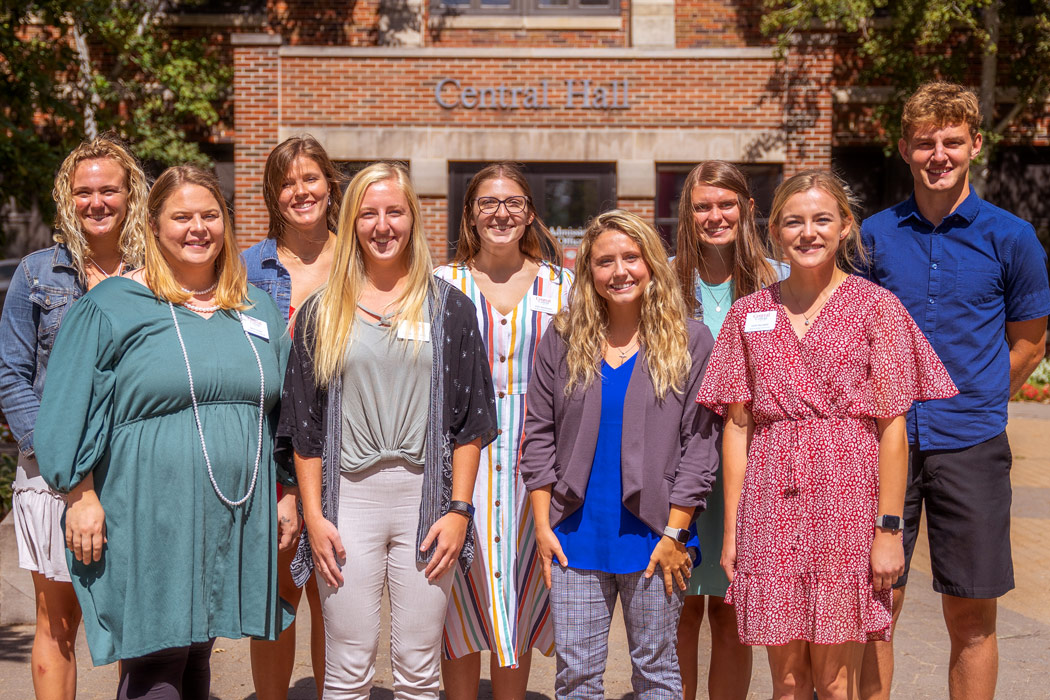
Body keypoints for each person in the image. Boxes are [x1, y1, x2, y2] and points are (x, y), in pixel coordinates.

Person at [696, 170, 958, 700]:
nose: (807, 232)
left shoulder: (877, 309)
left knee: (835, 682)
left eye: (822, 219)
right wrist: (732, 533)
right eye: (794, 221)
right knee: (787, 680)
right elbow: (738, 425)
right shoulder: (749, 315)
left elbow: (892, 428)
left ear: (845, 228)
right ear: (774, 230)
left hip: (849, 507)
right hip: (770, 506)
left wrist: (889, 529)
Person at [34, 165, 293, 699]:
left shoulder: (255, 309)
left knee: (198, 653)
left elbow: (284, 415)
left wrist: (286, 490)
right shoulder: (112, 307)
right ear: (153, 226)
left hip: (234, 512)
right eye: (181, 217)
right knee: (157, 659)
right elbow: (63, 411)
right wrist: (79, 494)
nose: (197, 228)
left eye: (209, 215)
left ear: (226, 223)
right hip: (147, 511)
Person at [857, 82, 1050, 700]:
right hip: (881, 445)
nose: (938, 154)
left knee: (971, 618)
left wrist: (982, 401)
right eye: (924, 143)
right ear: (904, 149)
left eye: (951, 141)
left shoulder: (1012, 237)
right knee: (873, 610)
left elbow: (1030, 341)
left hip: (972, 446)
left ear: (975, 145)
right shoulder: (873, 237)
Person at [278, 162, 497, 699]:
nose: (382, 225)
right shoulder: (321, 312)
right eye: (369, 213)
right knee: (347, 669)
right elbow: (304, 430)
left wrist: (458, 512)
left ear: (412, 219)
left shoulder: (451, 308)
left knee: (419, 670)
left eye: (394, 212)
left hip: (427, 502)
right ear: (351, 221)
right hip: (347, 502)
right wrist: (313, 515)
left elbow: (470, 423)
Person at [520, 209, 720, 700]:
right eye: (604, 261)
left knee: (656, 676)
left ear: (652, 263)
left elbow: (701, 446)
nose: (619, 271)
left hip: (656, 539)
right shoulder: (565, 338)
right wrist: (543, 529)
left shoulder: (690, 341)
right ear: (589, 271)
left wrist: (676, 533)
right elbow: (539, 434)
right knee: (576, 678)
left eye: (631, 257)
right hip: (574, 539)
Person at [0, 135, 147, 700]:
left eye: (109, 189)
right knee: (58, 624)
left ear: (131, 194)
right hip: (53, 477)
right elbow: (11, 375)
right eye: (84, 191)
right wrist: (60, 461)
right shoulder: (38, 272)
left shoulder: (157, 273)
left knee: (138, 625)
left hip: (135, 468)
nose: (97, 202)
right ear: (68, 197)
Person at [435, 162, 571, 700]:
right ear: (470, 214)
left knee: (519, 588)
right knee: (459, 592)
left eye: (512, 202)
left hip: (537, 455)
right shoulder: (444, 285)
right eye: (487, 203)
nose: (501, 213)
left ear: (530, 212)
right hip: (460, 454)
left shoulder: (563, 286)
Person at [672, 160, 785, 700]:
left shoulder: (780, 282)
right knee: (679, 606)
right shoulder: (663, 281)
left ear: (746, 209)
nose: (714, 216)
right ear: (687, 213)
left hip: (756, 467)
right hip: (678, 467)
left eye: (725, 204)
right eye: (702, 206)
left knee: (734, 610)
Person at [243, 135, 343, 700]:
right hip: (269, 450)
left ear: (330, 185)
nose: (300, 191)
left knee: (335, 592)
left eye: (310, 179)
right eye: (287, 182)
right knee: (277, 593)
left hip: (346, 445)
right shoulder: (246, 266)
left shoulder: (359, 256)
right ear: (272, 194)